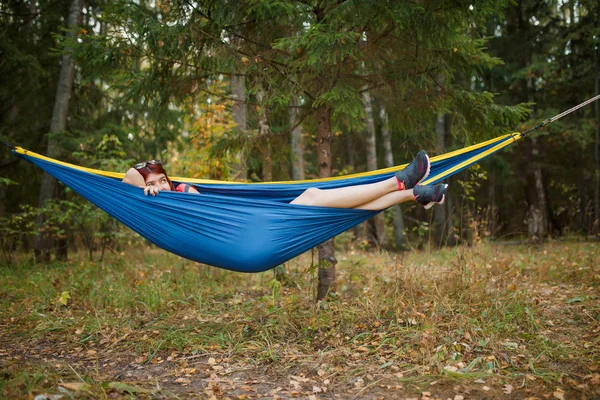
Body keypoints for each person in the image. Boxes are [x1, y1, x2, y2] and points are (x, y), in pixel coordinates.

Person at [122, 151, 448, 210]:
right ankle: (397, 182)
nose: (162, 186)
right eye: (156, 183)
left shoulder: (182, 191)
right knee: (311, 196)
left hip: (251, 224)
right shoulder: (156, 201)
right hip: (247, 235)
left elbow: (192, 200)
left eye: (163, 180)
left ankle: (412, 194)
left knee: (329, 206)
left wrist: (163, 190)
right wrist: (144, 188)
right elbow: (124, 186)